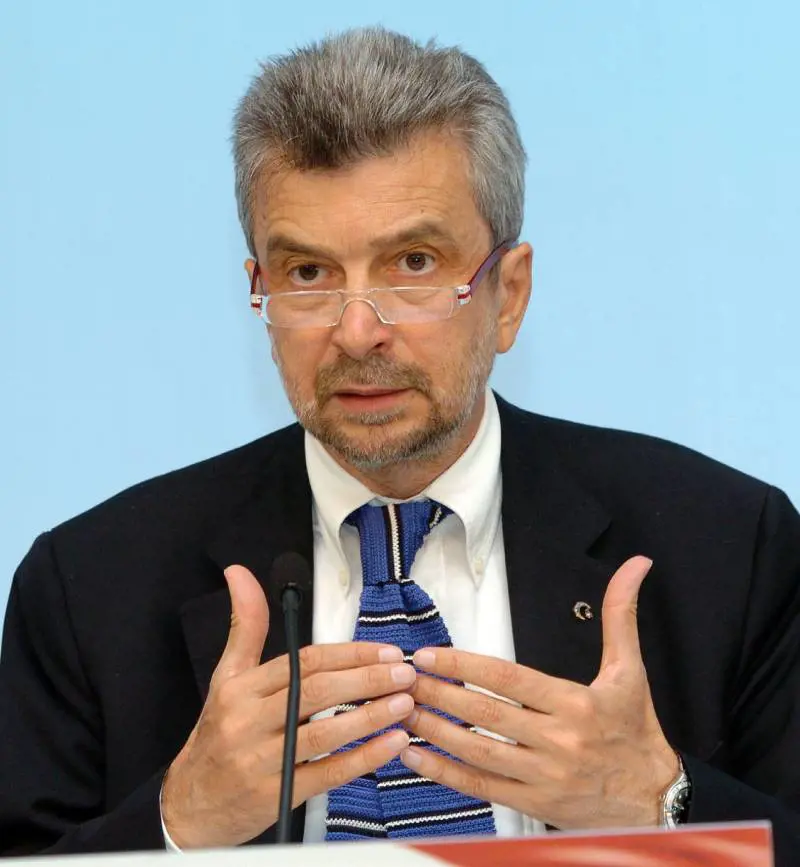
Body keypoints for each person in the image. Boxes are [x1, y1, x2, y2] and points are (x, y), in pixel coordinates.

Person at [1, 25, 799, 865]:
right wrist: (177, 821)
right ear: (260, 295)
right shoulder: (90, 587)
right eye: (308, 274)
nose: (356, 331)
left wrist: (663, 804)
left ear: (508, 295)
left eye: (412, 263)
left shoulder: (728, 547)